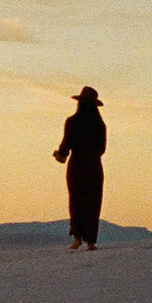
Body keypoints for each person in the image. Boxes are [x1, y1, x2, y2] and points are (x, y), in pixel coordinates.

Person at [55, 86, 106, 249]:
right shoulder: (99, 124)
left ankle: (77, 237)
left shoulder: (72, 121)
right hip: (94, 165)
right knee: (93, 201)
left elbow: (66, 145)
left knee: (76, 200)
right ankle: (90, 240)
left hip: (76, 165)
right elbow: (101, 149)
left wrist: (60, 154)